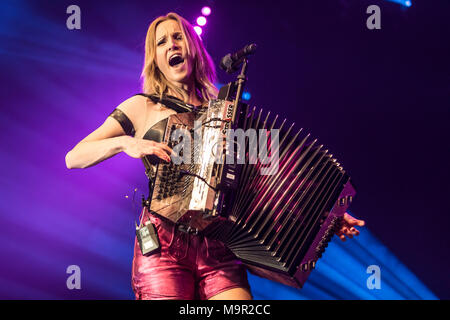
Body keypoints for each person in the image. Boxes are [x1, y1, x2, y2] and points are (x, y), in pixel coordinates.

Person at [65, 12, 364, 300]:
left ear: (193, 48)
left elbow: (262, 186)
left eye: (178, 37)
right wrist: (125, 143)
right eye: (162, 42)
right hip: (165, 246)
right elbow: (74, 156)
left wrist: (324, 219)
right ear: (155, 59)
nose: (172, 45)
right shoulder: (142, 106)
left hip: (219, 246)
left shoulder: (224, 112)